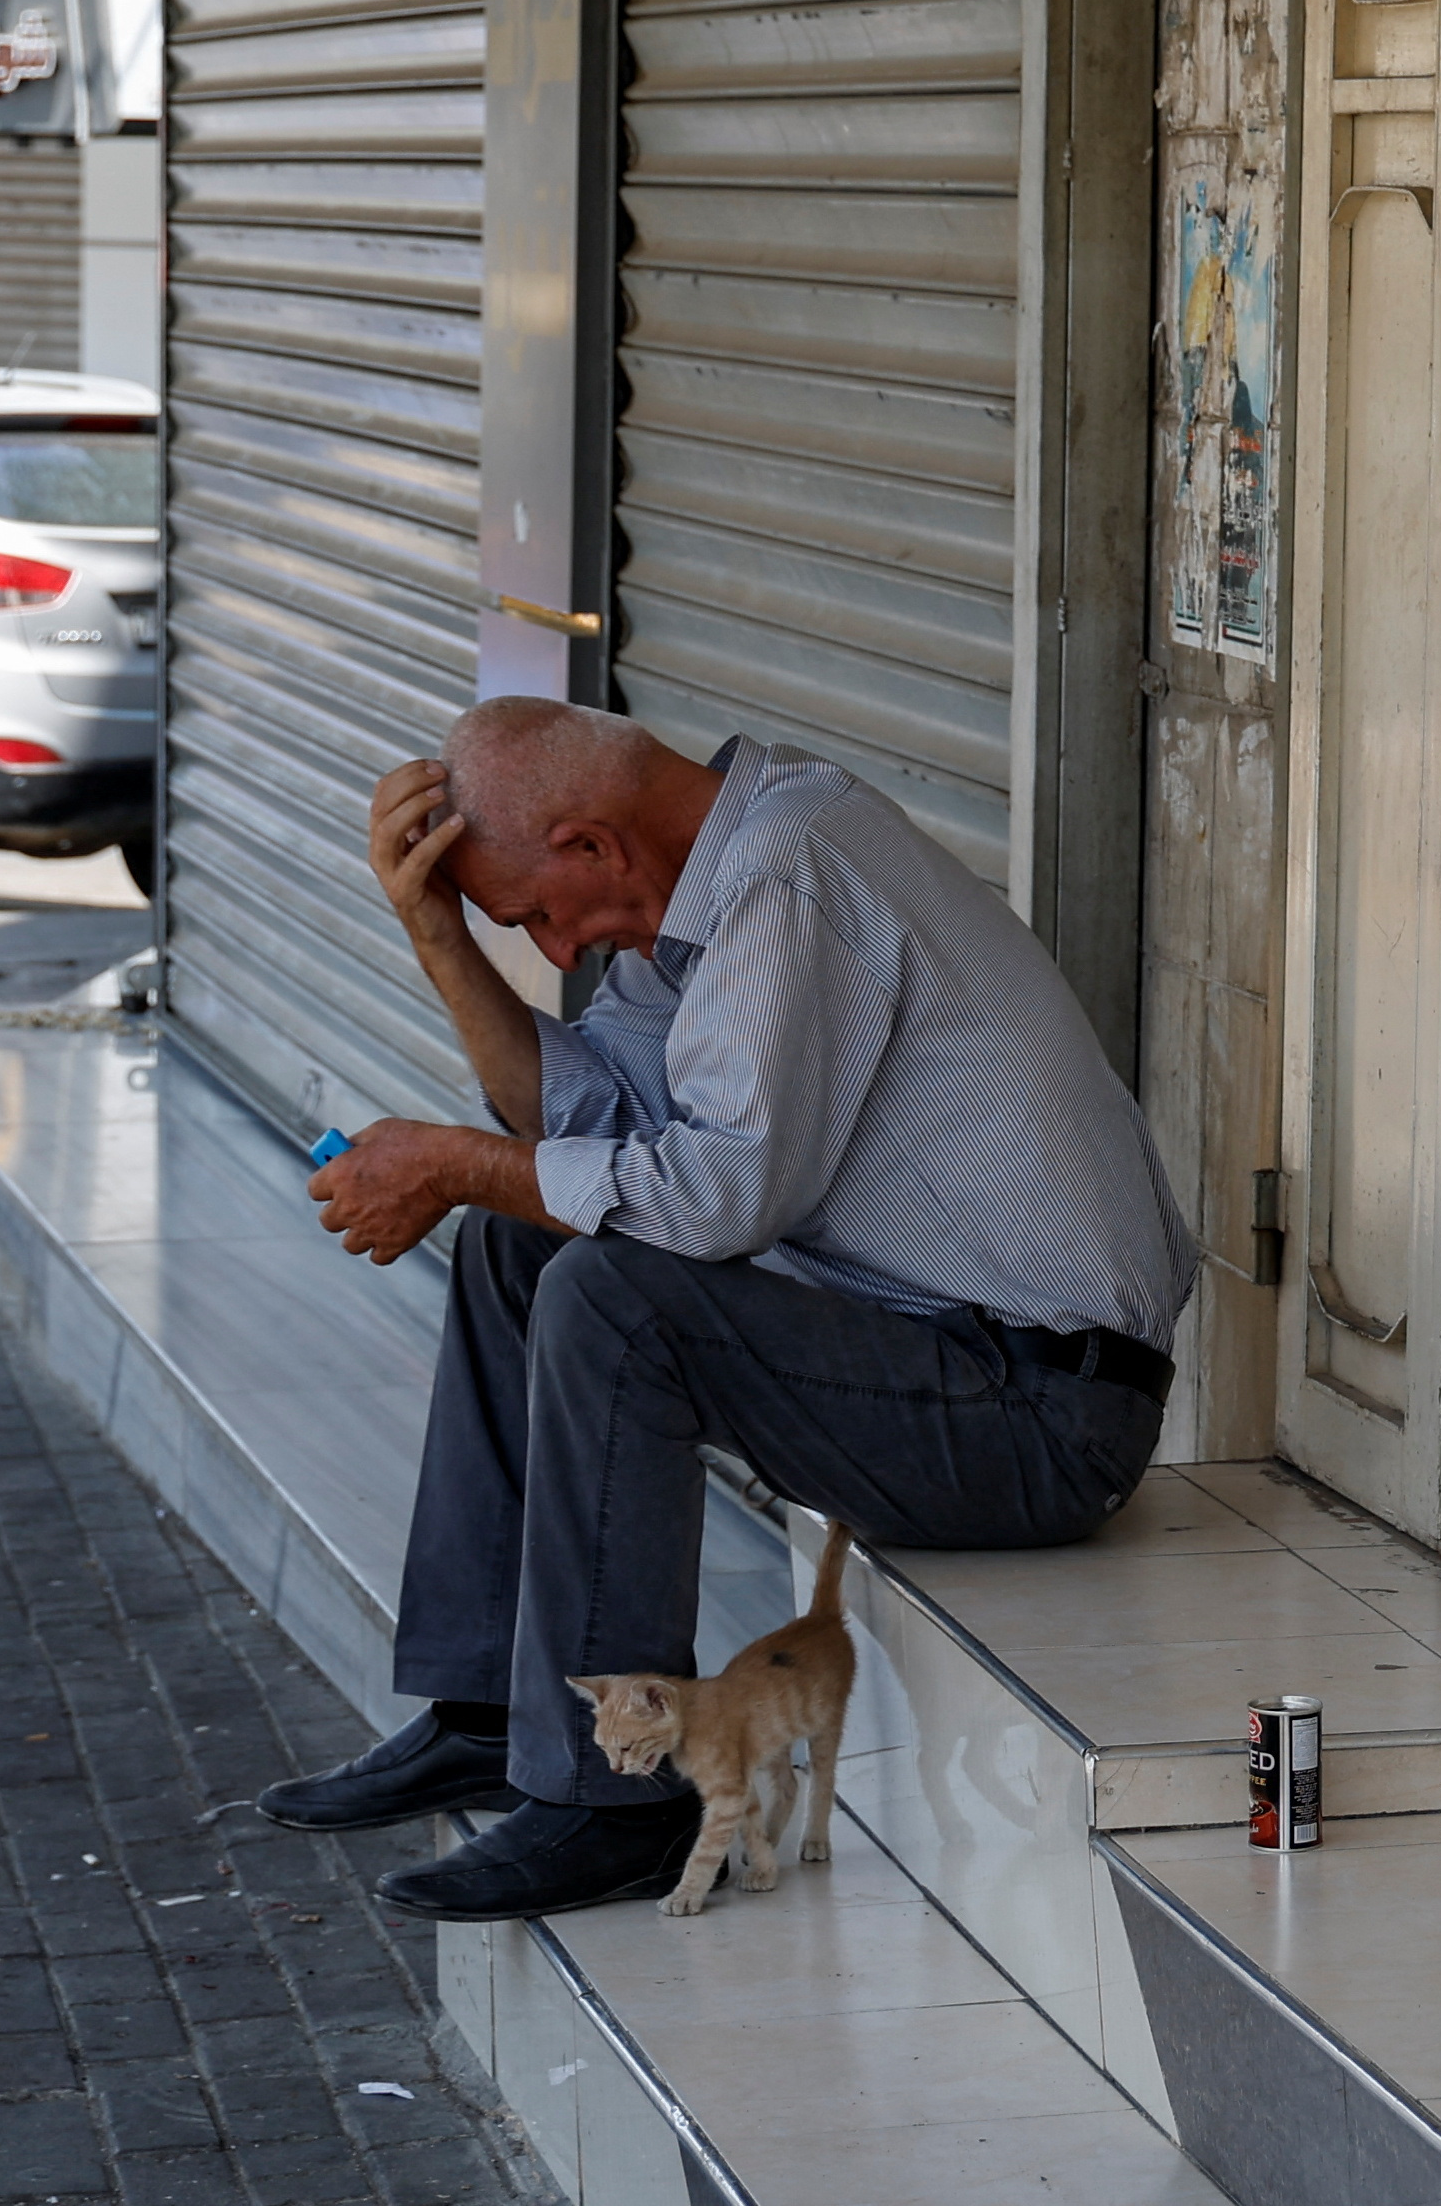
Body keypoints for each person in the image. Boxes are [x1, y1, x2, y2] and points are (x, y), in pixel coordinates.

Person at [256, 698, 1196, 1921]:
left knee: (612, 1294)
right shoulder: (712, 880)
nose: (551, 945)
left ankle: (614, 1802)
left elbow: (710, 1201)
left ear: (594, 847)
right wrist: (439, 937)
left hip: (1044, 1419)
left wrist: (449, 1162)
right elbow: (576, 1131)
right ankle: (493, 1713)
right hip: (950, 1364)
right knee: (516, 1240)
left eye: (535, 912)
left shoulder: (790, 878)